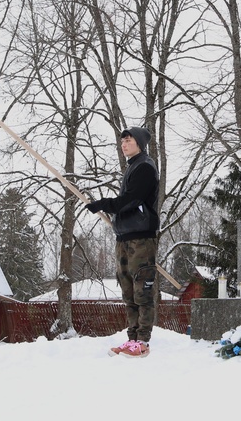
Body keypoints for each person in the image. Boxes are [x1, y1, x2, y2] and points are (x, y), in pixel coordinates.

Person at [87, 127, 160, 358]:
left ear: (139, 143)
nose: (123, 144)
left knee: (142, 290)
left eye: (128, 140)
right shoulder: (132, 168)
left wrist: (103, 204)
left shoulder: (145, 167)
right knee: (128, 291)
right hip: (124, 237)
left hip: (141, 238)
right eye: (122, 141)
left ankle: (143, 342)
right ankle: (132, 340)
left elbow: (132, 200)